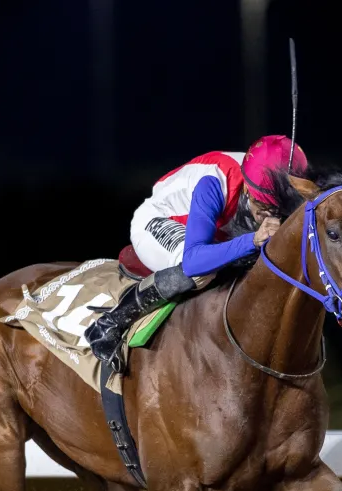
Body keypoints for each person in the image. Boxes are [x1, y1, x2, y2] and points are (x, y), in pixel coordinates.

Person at [85, 134, 308, 371]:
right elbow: (193, 261)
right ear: (247, 187)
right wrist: (252, 240)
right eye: (263, 207)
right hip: (160, 219)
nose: (270, 216)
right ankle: (110, 324)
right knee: (202, 272)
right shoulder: (213, 183)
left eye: (278, 208)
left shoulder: (277, 178)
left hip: (212, 231)